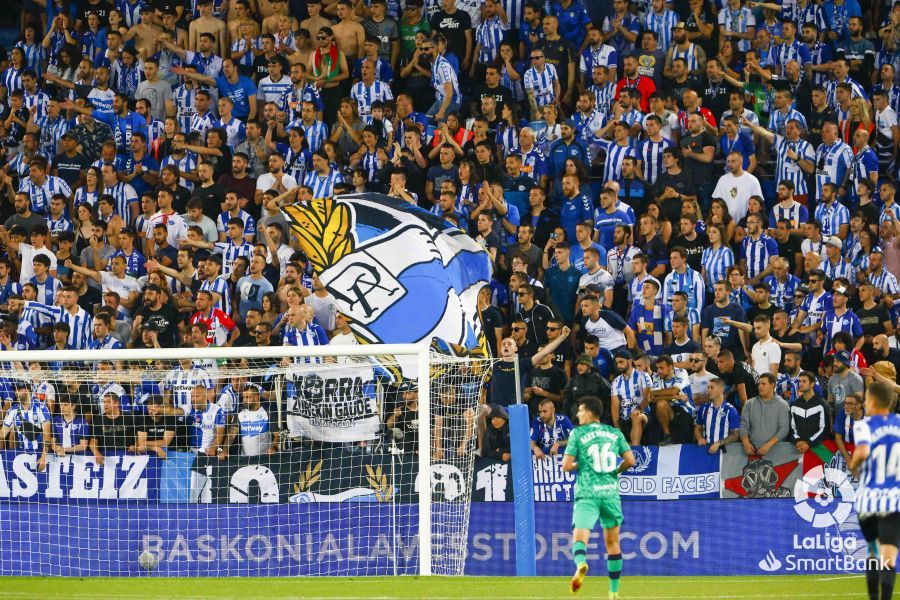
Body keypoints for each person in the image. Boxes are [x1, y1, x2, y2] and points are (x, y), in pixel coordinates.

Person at [563, 395, 636, 598]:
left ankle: (581, 564)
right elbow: (631, 460)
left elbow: (566, 466)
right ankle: (613, 592)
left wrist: (581, 464)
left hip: (588, 493)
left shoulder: (577, 434)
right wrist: (616, 471)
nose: (577, 414)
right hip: (610, 494)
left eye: (579, 410)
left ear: (588, 412)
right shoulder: (615, 433)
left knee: (580, 538)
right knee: (613, 544)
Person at [849, 381, 900, 600]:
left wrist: (853, 467)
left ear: (871, 401)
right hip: (893, 501)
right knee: (888, 557)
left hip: (867, 502)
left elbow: (861, 452)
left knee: (873, 551)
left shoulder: (863, 425)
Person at [739, 372, 791, 457]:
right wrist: (746, 443)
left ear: (772, 385)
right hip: (752, 451)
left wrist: (768, 445)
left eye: (763, 384)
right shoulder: (749, 403)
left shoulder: (783, 405)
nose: (760, 386)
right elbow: (743, 425)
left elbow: (784, 429)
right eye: (759, 384)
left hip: (776, 453)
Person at [693, 377, 739, 453]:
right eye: (708, 388)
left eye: (712, 388)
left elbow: (735, 435)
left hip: (723, 452)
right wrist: (699, 438)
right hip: (705, 450)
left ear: (721, 390)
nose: (709, 390)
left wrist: (718, 443)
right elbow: (697, 428)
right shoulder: (704, 408)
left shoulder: (731, 410)